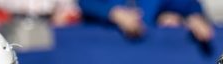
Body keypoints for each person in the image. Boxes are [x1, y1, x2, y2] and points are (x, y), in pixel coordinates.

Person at [78, 0, 213, 42]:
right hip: (105, 59)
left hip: (144, 61)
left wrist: (193, 17)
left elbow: (188, 5)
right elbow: (85, 3)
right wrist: (113, 13)